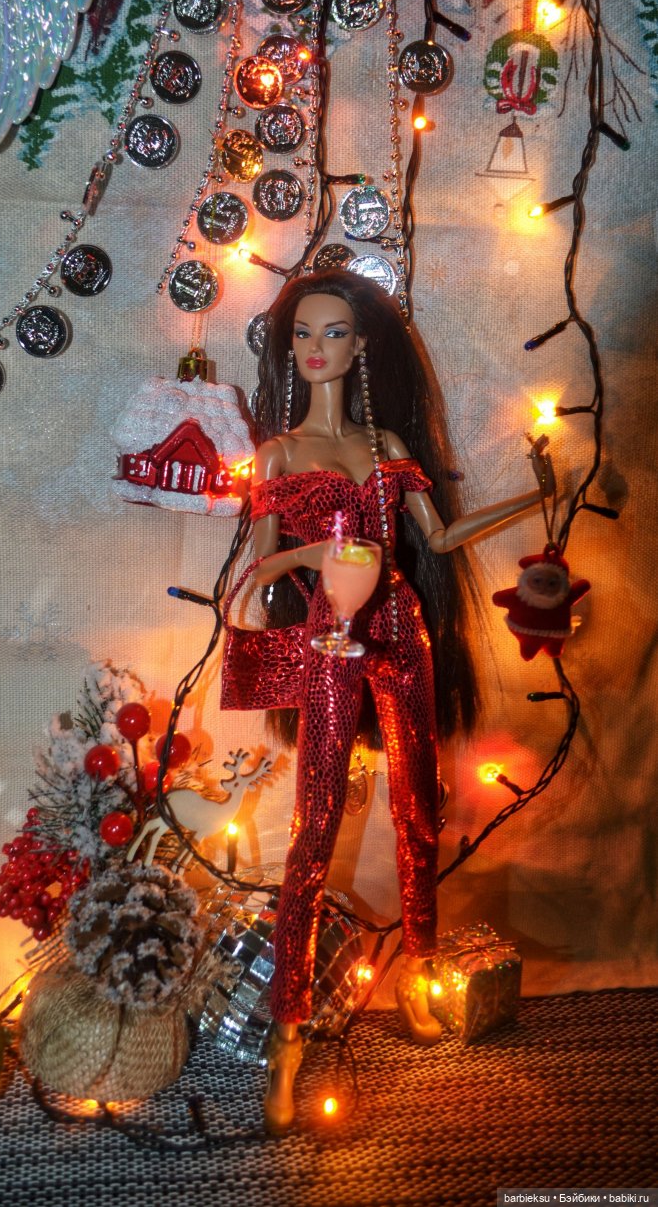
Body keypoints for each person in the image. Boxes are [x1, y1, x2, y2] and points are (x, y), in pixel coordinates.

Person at [235, 269, 551, 1135]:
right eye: (303, 334)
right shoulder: (280, 454)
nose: (316, 349)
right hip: (329, 632)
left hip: (401, 628)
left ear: (361, 346)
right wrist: (315, 555)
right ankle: (288, 1032)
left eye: (334, 333)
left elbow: (438, 537)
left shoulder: (387, 444)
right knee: (314, 828)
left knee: (417, 807)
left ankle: (419, 971)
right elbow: (262, 563)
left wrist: (535, 493)